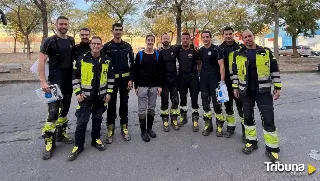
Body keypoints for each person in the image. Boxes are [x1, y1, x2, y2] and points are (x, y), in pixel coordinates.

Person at [231, 30, 282, 162]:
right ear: (242, 40)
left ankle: (272, 149)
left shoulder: (265, 51)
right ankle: (251, 142)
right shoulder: (238, 54)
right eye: (245, 37)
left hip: (263, 91)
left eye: (250, 36)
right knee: (247, 118)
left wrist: (277, 87)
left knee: (268, 119)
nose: (248, 39)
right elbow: (235, 73)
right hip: (245, 92)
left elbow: (274, 69)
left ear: (254, 37)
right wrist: (235, 87)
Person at [68, 36, 115, 161]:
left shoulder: (107, 60)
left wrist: (109, 93)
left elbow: (111, 78)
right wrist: (77, 93)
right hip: (85, 97)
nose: (96, 46)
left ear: (101, 45)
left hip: (101, 97)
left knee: (97, 119)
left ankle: (95, 140)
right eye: (93, 43)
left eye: (98, 43)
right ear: (90, 45)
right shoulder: (82, 59)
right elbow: (75, 77)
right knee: (82, 121)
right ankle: (78, 145)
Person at [39, 16, 75, 160]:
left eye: (66, 24)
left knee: (65, 109)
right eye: (61, 24)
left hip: (68, 82)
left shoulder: (71, 40)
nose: (63, 26)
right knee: (53, 112)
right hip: (53, 83)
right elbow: (41, 60)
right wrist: (43, 81)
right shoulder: (50, 41)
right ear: (56, 24)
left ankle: (61, 133)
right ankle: (49, 141)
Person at [102, 23, 134, 143]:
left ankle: (124, 127)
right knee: (111, 104)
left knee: (124, 104)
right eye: (116, 30)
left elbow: (132, 64)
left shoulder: (127, 46)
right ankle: (110, 129)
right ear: (112, 31)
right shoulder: (107, 47)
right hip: (112, 81)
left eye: (120, 30)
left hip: (125, 80)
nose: (118, 32)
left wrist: (131, 79)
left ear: (122, 31)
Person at [133, 34, 162, 142]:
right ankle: (143, 131)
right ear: (145, 41)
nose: (150, 42)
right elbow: (135, 71)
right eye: (148, 40)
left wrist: (160, 85)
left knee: (151, 108)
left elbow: (160, 72)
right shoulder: (140, 55)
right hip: (142, 86)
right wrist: (136, 86)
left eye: (152, 40)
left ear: (154, 42)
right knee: (142, 109)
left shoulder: (157, 55)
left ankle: (149, 128)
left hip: (154, 86)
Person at [219, 27, 245, 140]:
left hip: (239, 83)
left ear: (233, 34)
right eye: (226, 34)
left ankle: (246, 129)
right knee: (228, 106)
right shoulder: (219, 49)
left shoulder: (240, 48)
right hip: (226, 83)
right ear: (223, 35)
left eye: (230, 34)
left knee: (241, 107)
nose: (228, 36)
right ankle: (231, 126)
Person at [198, 30, 225, 137]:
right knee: (205, 103)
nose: (205, 39)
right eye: (203, 37)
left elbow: (222, 66)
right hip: (204, 79)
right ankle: (208, 125)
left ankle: (219, 126)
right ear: (202, 39)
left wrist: (222, 81)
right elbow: (199, 64)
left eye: (207, 37)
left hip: (215, 79)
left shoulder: (217, 49)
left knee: (217, 104)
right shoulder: (200, 51)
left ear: (210, 37)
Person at [176, 32, 200, 132]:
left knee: (194, 99)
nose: (185, 40)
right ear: (181, 39)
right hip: (182, 77)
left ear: (190, 39)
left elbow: (199, 62)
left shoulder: (194, 50)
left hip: (193, 77)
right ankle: (183, 117)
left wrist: (198, 72)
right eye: (183, 38)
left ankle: (195, 119)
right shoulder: (178, 49)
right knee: (182, 99)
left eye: (187, 38)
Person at [158, 33, 180, 132]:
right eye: (164, 38)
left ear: (170, 39)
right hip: (164, 80)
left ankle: (174, 119)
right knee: (165, 101)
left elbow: (186, 46)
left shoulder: (174, 49)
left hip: (174, 79)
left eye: (167, 38)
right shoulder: (159, 52)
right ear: (161, 40)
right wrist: (159, 85)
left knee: (175, 100)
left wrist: (194, 45)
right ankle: (165, 119)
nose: (166, 40)